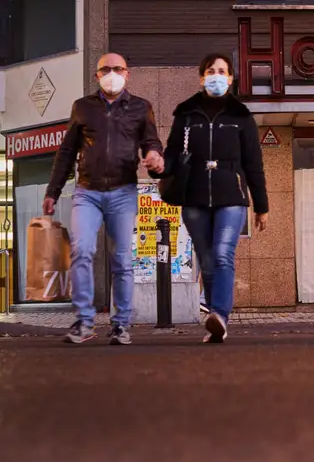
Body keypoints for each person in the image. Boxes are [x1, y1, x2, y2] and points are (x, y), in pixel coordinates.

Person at [45, 52, 164, 345]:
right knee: (82, 250)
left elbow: (151, 141)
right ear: (97, 75)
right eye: (106, 69)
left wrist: (153, 155)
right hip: (87, 192)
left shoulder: (141, 107)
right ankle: (84, 322)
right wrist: (52, 191)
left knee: (122, 259)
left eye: (118, 68)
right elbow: (66, 152)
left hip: (123, 193)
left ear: (128, 73)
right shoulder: (83, 107)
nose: (112, 73)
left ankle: (121, 324)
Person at [156, 53, 268, 343]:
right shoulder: (186, 113)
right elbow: (172, 155)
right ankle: (216, 324)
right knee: (206, 261)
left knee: (222, 254)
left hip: (231, 194)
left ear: (230, 79)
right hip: (193, 197)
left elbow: (254, 164)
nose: (216, 75)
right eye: (211, 71)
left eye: (222, 71)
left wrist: (261, 207)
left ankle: (219, 315)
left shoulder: (241, 116)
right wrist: (159, 166)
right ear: (202, 77)